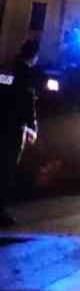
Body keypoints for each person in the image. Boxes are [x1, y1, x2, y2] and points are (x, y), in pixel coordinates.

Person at [0, 39, 39, 227]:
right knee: (6, 168)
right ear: (34, 56)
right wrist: (32, 126)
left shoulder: (6, 69)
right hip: (13, 126)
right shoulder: (26, 74)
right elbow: (27, 101)